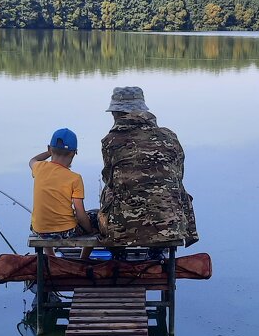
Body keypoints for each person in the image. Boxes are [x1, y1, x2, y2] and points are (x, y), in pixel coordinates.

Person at [98, 87, 199, 251]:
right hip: (172, 225)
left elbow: (109, 180)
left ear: (116, 114)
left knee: (108, 191)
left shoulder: (111, 141)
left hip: (124, 230)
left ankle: (119, 255)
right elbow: (178, 175)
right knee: (172, 186)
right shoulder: (170, 137)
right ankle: (159, 252)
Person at [29, 128, 95, 258]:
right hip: (65, 231)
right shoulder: (75, 178)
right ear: (74, 153)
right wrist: (90, 230)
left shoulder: (39, 168)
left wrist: (49, 153)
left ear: (49, 148)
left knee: (44, 219)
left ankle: (52, 257)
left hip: (39, 230)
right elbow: (80, 214)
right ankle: (82, 260)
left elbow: (32, 160)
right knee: (94, 220)